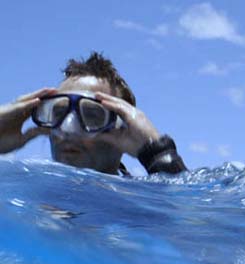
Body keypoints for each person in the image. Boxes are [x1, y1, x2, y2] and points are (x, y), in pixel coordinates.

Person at [0, 52, 186, 175]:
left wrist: (157, 154)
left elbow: (190, 218)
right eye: (58, 114)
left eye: (91, 116)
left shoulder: (144, 206)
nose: (68, 129)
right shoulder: (25, 193)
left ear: (125, 129)